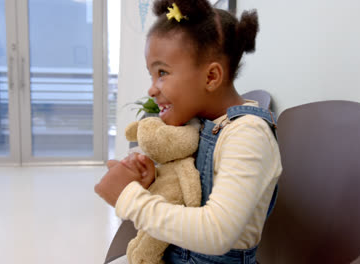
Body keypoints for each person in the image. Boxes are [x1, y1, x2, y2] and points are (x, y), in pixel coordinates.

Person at [94, 0, 282, 263]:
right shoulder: (204, 123)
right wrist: (152, 180)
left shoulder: (248, 135)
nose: (151, 88)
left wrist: (129, 198)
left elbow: (217, 233)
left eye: (162, 73)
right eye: (151, 75)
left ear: (210, 77)